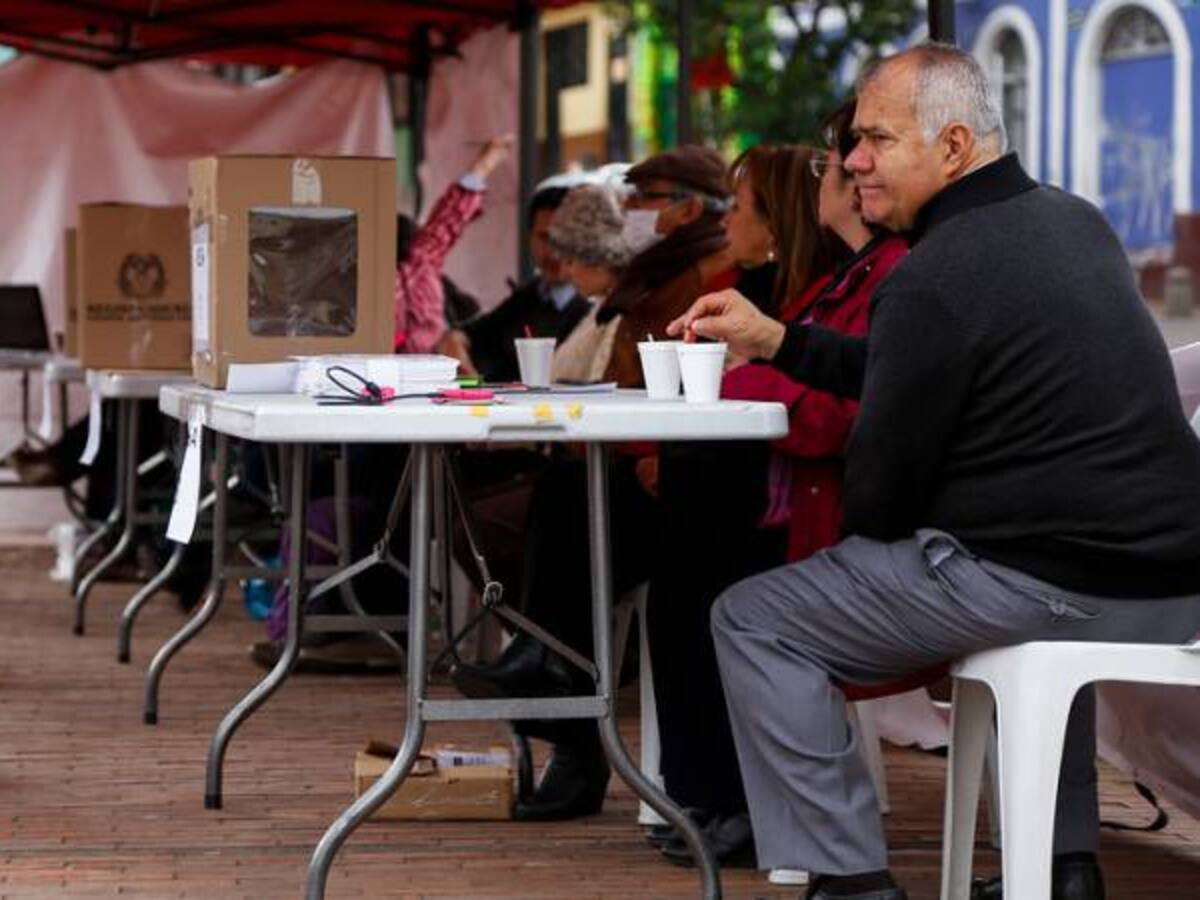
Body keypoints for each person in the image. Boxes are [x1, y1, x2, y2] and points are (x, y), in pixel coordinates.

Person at [668, 44, 1200, 900]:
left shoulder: (934, 274)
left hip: (1047, 583)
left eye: (876, 139)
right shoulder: (1075, 222)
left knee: (755, 618)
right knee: (1039, 598)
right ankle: (1061, 868)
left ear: (953, 146)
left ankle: (850, 880)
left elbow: (878, 499)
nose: (853, 161)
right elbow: (913, 362)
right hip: (1171, 581)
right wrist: (781, 342)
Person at [451, 147, 742, 822]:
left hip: (692, 477)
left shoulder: (705, 275)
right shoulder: (656, 273)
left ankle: (558, 691)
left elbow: (693, 381)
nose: (630, 210)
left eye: (643, 198)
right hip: (634, 457)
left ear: (689, 209)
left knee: (554, 514)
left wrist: (650, 449)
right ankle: (551, 673)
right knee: (557, 499)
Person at [654, 128, 906, 871]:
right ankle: (714, 797)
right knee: (674, 560)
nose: (834, 170)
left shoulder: (887, 274)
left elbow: (831, 409)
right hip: (799, 497)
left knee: (706, 586)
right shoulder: (846, 277)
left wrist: (744, 370)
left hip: (833, 516)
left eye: (837, 161)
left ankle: (745, 807)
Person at [436, 185, 590, 381]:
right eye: (545, 238)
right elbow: (468, 334)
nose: (553, 252)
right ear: (530, 237)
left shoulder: (596, 309)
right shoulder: (528, 297)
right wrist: (456, 345)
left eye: (564, 239)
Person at [394, 134, 512, 353]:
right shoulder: (420, 267)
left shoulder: (403, 273)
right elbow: (445, 223)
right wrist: (482, 167)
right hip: (431, 365)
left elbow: (443, 224)